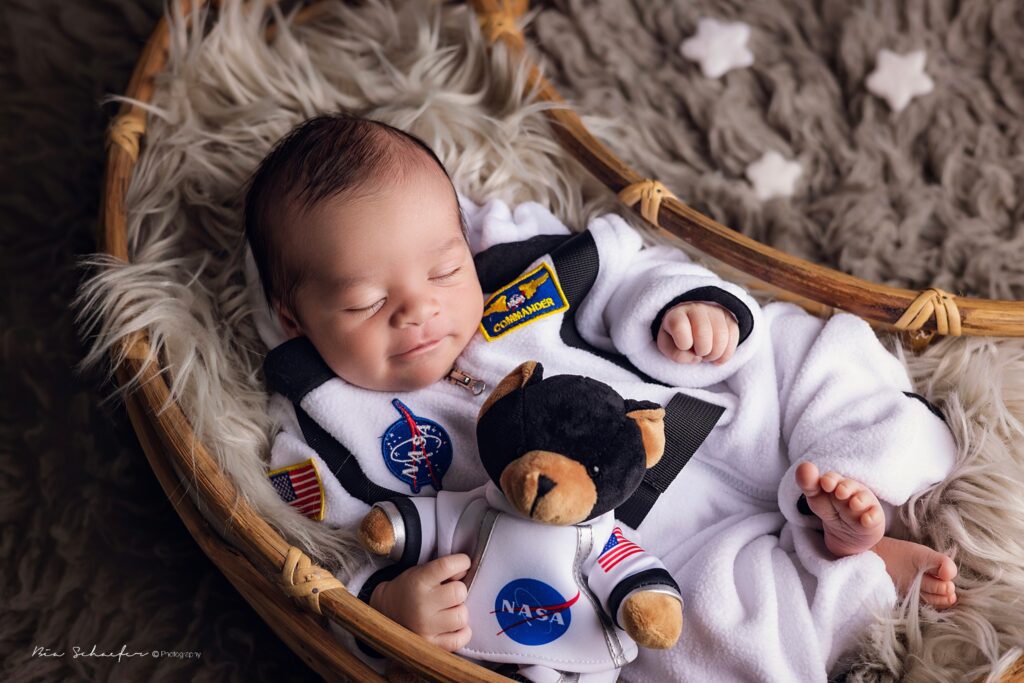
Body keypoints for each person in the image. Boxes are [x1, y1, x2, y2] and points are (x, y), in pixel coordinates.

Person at [244, 113, 958, 681]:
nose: (420, 311)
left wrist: (678, 312)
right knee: (692, 643)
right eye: (369, 303)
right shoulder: (326, 428)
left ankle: (857, 475)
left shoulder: (516, 268)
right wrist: (388, 606)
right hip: (638, 554)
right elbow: (332, 562)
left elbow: (622, 266)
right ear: (294, 318)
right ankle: (855, 573)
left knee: (801, 346)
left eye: (442, 269)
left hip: (705, 420)